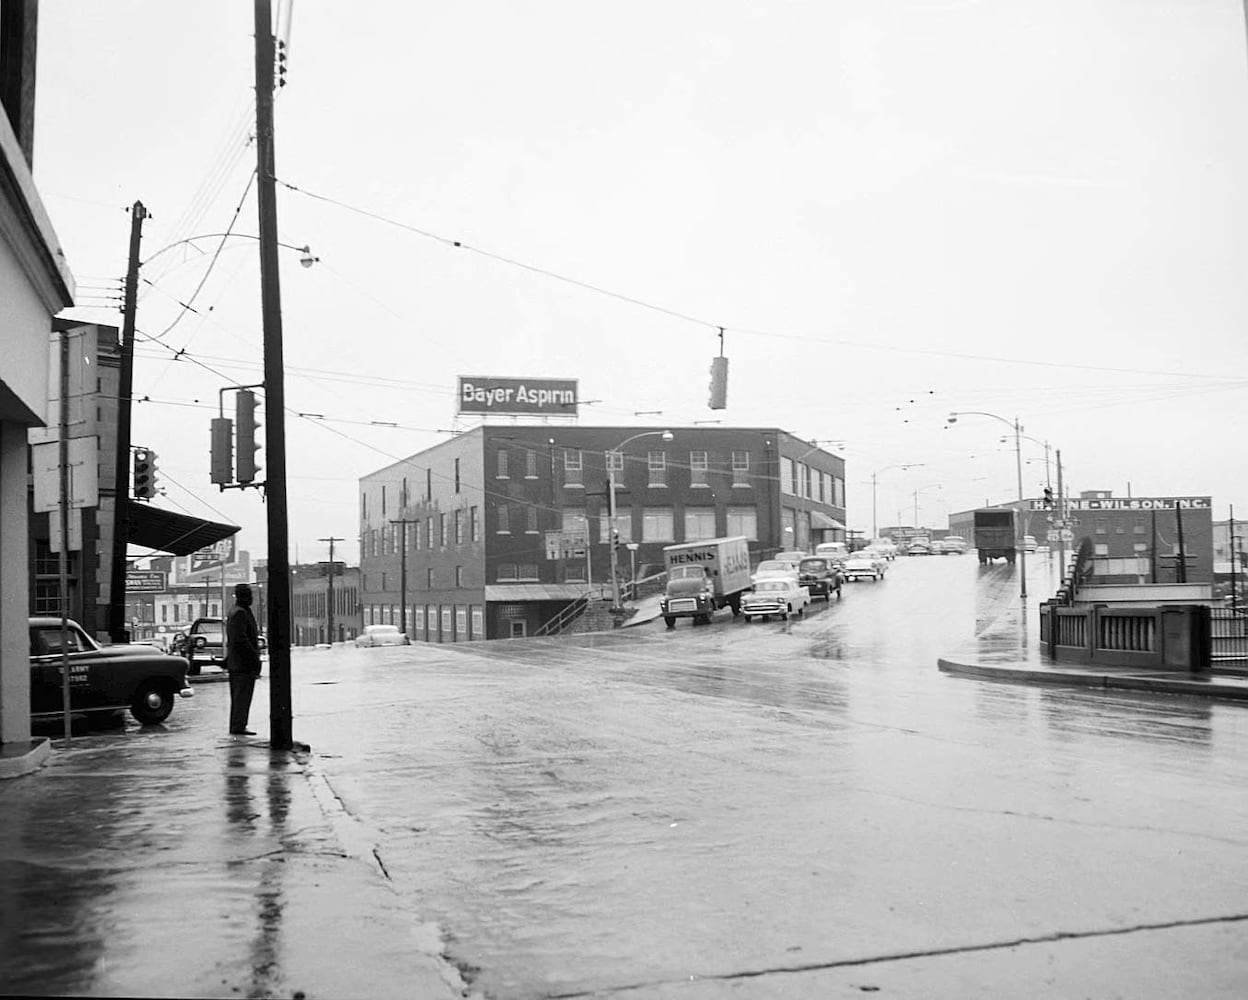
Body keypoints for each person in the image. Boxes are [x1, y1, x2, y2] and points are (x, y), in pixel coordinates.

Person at [224, 583, 263, 736]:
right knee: (242, 696)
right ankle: (238, 726)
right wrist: (254, 657)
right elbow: (240, 640)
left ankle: (239, 725)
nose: (251, 598)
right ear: (244, 596)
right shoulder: (240, 613)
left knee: (241, 696)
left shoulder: (238, 611)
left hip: (239, 663)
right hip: (242, 664)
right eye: (249, 594)